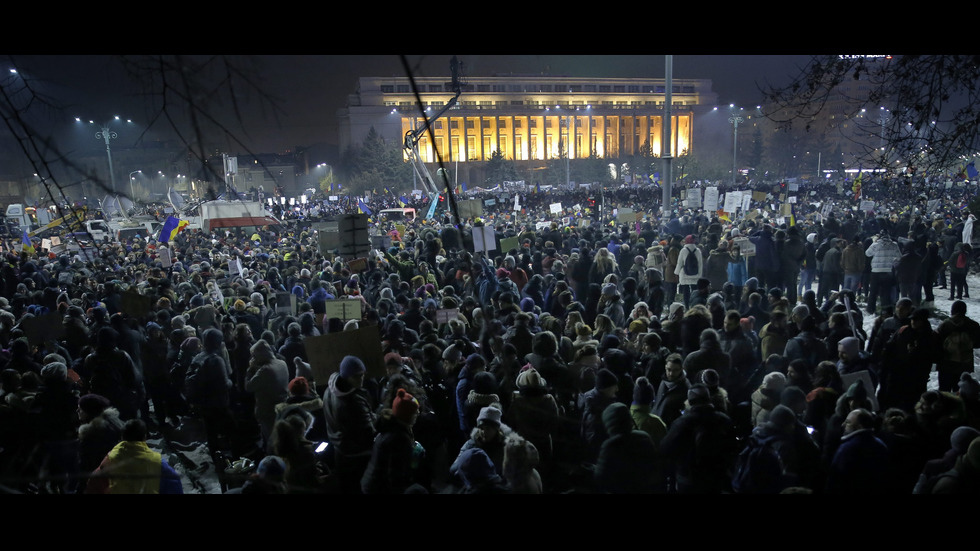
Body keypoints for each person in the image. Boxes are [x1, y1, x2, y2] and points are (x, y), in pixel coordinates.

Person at [659, 383, 738, 494]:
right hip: (715, 478)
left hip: (688, 479)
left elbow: (665, 448)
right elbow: (733, 448)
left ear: (690, 401)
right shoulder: (724, 420)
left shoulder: (682, 423)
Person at [322, 354, 377, 494]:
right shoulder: (352, 402)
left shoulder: (329, 391)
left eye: (362, 374)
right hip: (357, 456)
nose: (361, 379)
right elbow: (368, 433)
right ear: (346, 376)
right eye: (357, 376)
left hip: (340, 450)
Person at [85, 419, 183, 494]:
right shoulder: (158, 463)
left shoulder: (110, 459)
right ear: (144, 437)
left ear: (122, 437)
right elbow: (174, 487)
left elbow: (93, 486)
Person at [360, 388, 421, 494]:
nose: (418, 414)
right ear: (407, 416)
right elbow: (395, 476)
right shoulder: (399, 438)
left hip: (370, 484)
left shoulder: (389, 427)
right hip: (377, 488)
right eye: (415, 413)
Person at [594, 402, 665, 493]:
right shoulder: (643, 437)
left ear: (609, 424)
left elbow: (601, 476)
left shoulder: (610, 445)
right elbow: (654, 465)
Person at [826, 407, 889, 494]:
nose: (843, 425)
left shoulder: (847, 448)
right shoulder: (881, 445)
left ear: (860, 426)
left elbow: (836, 479)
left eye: (848, 422)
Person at [935, 300, 980, 392]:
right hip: (964, 364)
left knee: (944, 392)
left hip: (946, 364)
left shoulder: (945, 324)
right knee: (960, 392)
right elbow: (978, 343)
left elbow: (937, 343)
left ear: (952, 310)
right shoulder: (973, 325)